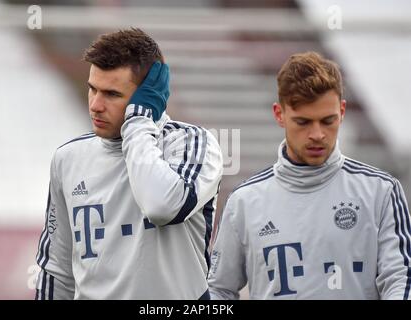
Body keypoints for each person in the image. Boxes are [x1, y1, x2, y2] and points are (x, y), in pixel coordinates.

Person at [35, 28, 223, 300]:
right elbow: (56, 270)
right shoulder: (68, 158)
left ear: (147, 96)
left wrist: (137, 122)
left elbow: (162, 206)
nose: (96, 105)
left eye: (111, 94)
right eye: (92, 89)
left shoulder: (193, 144)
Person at [208, 51, 411, 300]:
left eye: (328, 121)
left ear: (342, 111)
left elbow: (402, 279)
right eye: (303, 122)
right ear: (279, 114)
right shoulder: (243, 202)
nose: (317, 134)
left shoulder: (381, 191)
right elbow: (218, 290)